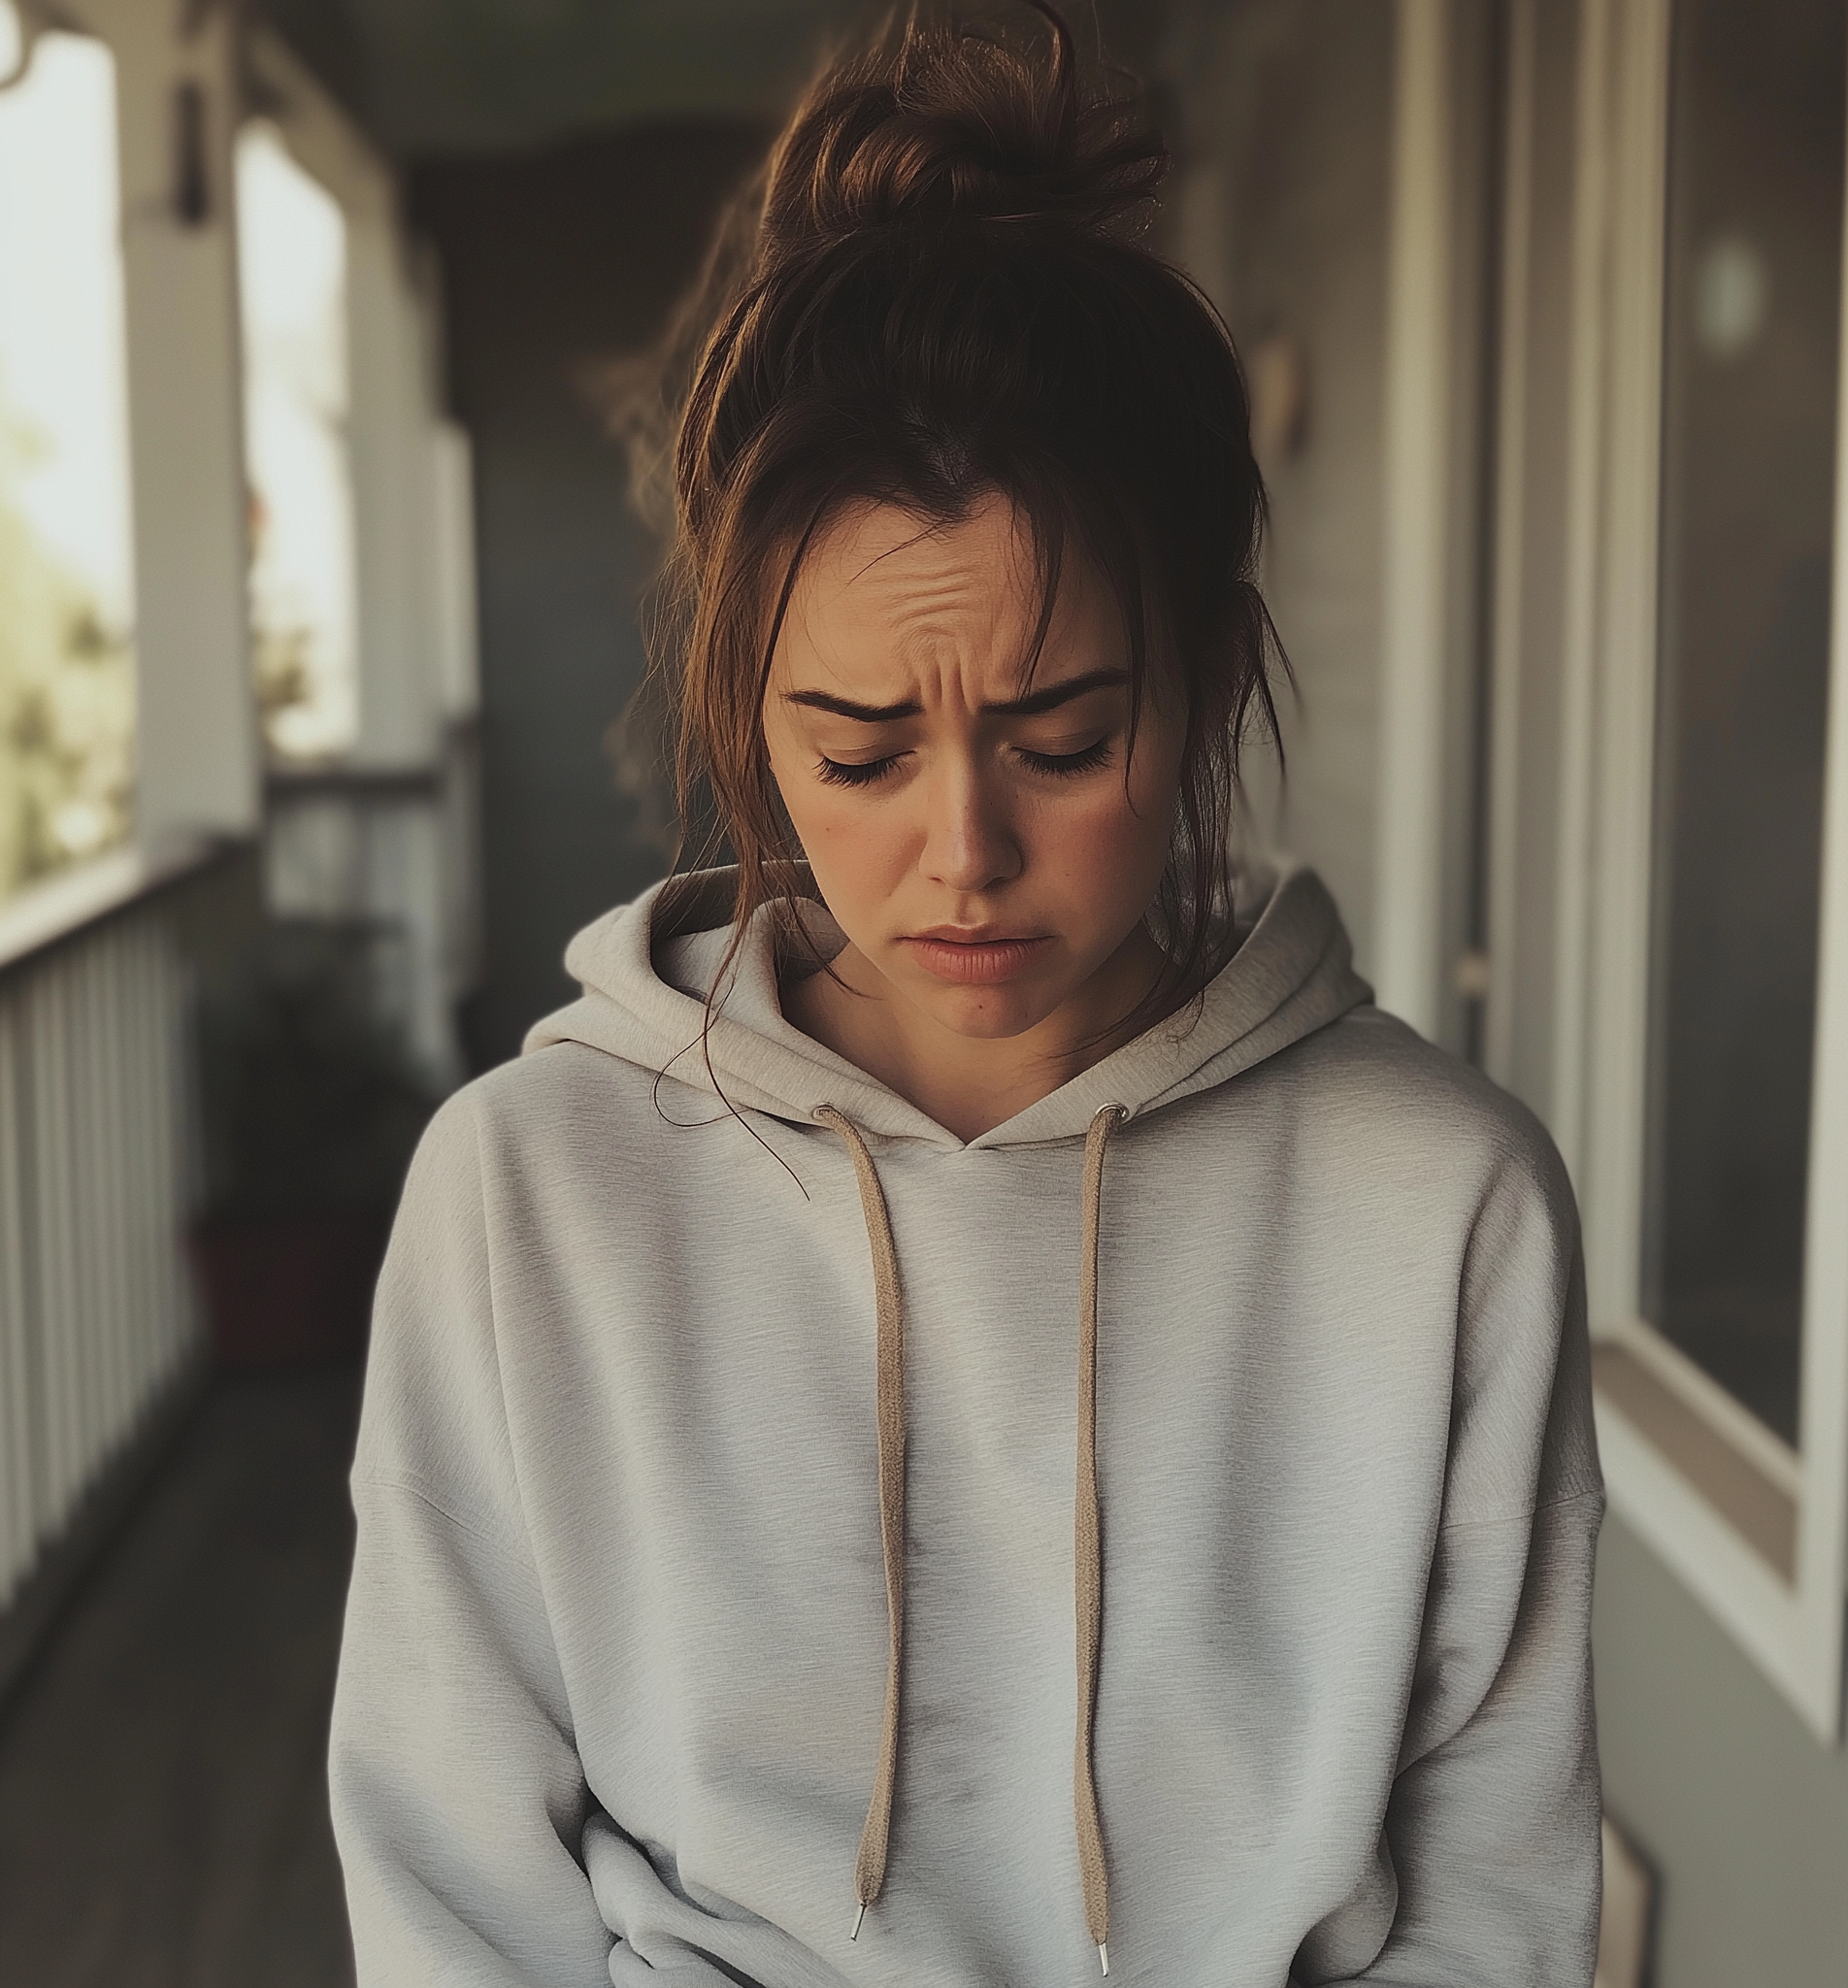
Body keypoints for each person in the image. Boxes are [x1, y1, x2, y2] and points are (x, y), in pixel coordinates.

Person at [328, 7, 1604, 1984]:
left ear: (1204, 678)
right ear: (742, 720)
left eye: (1063, 735)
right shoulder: (530, 1191)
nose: (963, 852)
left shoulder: (1443, 1207)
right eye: (855, 754)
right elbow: (446, 1866)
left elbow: (1495, 1885)